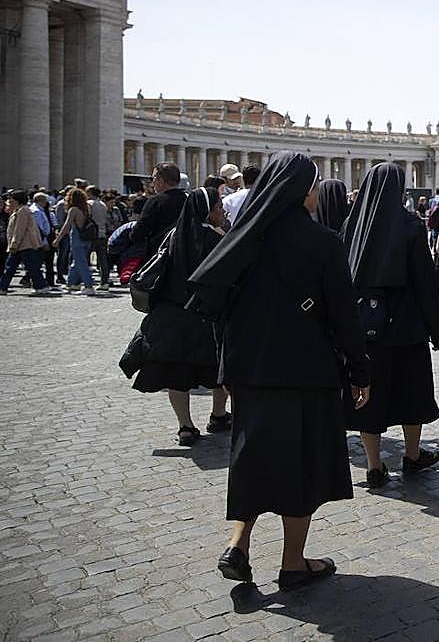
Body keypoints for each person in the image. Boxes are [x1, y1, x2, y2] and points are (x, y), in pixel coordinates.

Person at [187, 152, 370, 590]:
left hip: (250, 367)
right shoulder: (323, 242)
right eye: (313, 185)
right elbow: (344, 317)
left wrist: (227, 367)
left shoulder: (243, 238)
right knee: (301, 465)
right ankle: (292, 563)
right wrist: (360, 371)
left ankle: (238, 544)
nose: (315, 193)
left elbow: (220, 311)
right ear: (300, 191)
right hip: (307, 369)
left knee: (252, 457)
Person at [342, 163, 439, 487]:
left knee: (368, 398)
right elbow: (426, 284)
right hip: (406, 329)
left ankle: (374, 465)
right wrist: (437, 330)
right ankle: (412, 454)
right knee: (411, 394)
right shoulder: (410, 226)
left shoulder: (351, 225)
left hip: (365, 329)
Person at [119, 188, 231, 445]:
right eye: (218, 206)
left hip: (170, 316)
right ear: (207, 210)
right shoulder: (216, 239)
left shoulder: (173, 236)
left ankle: (185, 426)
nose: (222, 210)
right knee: (217, 369)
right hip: (206, 316)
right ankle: (218, 415)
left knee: (176, 375)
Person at [1, 191, 52, 296]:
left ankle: (41, 286)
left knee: (25, 267)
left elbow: (19, 229)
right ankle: (3, 287)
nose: (9, 201)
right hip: (23, 244)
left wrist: (14, 244)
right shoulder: (19, 210)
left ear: (17, 200)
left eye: (12, 199)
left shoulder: (23, 211)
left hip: (24, 244)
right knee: (15, 267)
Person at [132, 163, 188, 254]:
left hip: (159, 254)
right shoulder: (188, 200)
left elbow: (138, 233)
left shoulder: (155, 201)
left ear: (161, 181)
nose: (152, 182)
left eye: (153, 178)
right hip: (183, 254)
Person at [52, 187, 95, 294]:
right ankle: (71, 284)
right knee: (76, 262)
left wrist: (57, 239)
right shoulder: (87, 207)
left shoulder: (73, 210)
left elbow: (67, 226)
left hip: (77, 238)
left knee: (81, 263)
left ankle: (89, 286)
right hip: (87, 237)